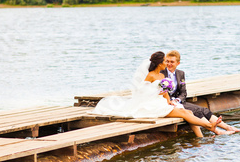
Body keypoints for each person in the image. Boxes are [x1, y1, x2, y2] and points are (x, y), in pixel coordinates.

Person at [93, 51, 221, 136]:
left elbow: (164, 91)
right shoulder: (150, 76)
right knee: (183, 112)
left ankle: (208, 128)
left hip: (161, 103)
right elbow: (141, 92)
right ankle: (209, 125)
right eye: (165, 61)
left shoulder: (161, 75)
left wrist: (169, 101)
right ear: (160, 64)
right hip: (151, 105)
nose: (167, 63)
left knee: (188, 112)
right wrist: (156, 96)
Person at [160, 50, 240, 135]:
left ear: (178, 63)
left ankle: (228, 127)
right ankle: (217, 131)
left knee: (204, 110)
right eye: (167, 61)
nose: (169, 64)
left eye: (172, 62)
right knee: (196, 111)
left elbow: (183, 93)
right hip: (167, 102)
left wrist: (177, 100)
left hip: (177, 101)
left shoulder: (181, 73)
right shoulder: (161, 73)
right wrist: (170, 101)